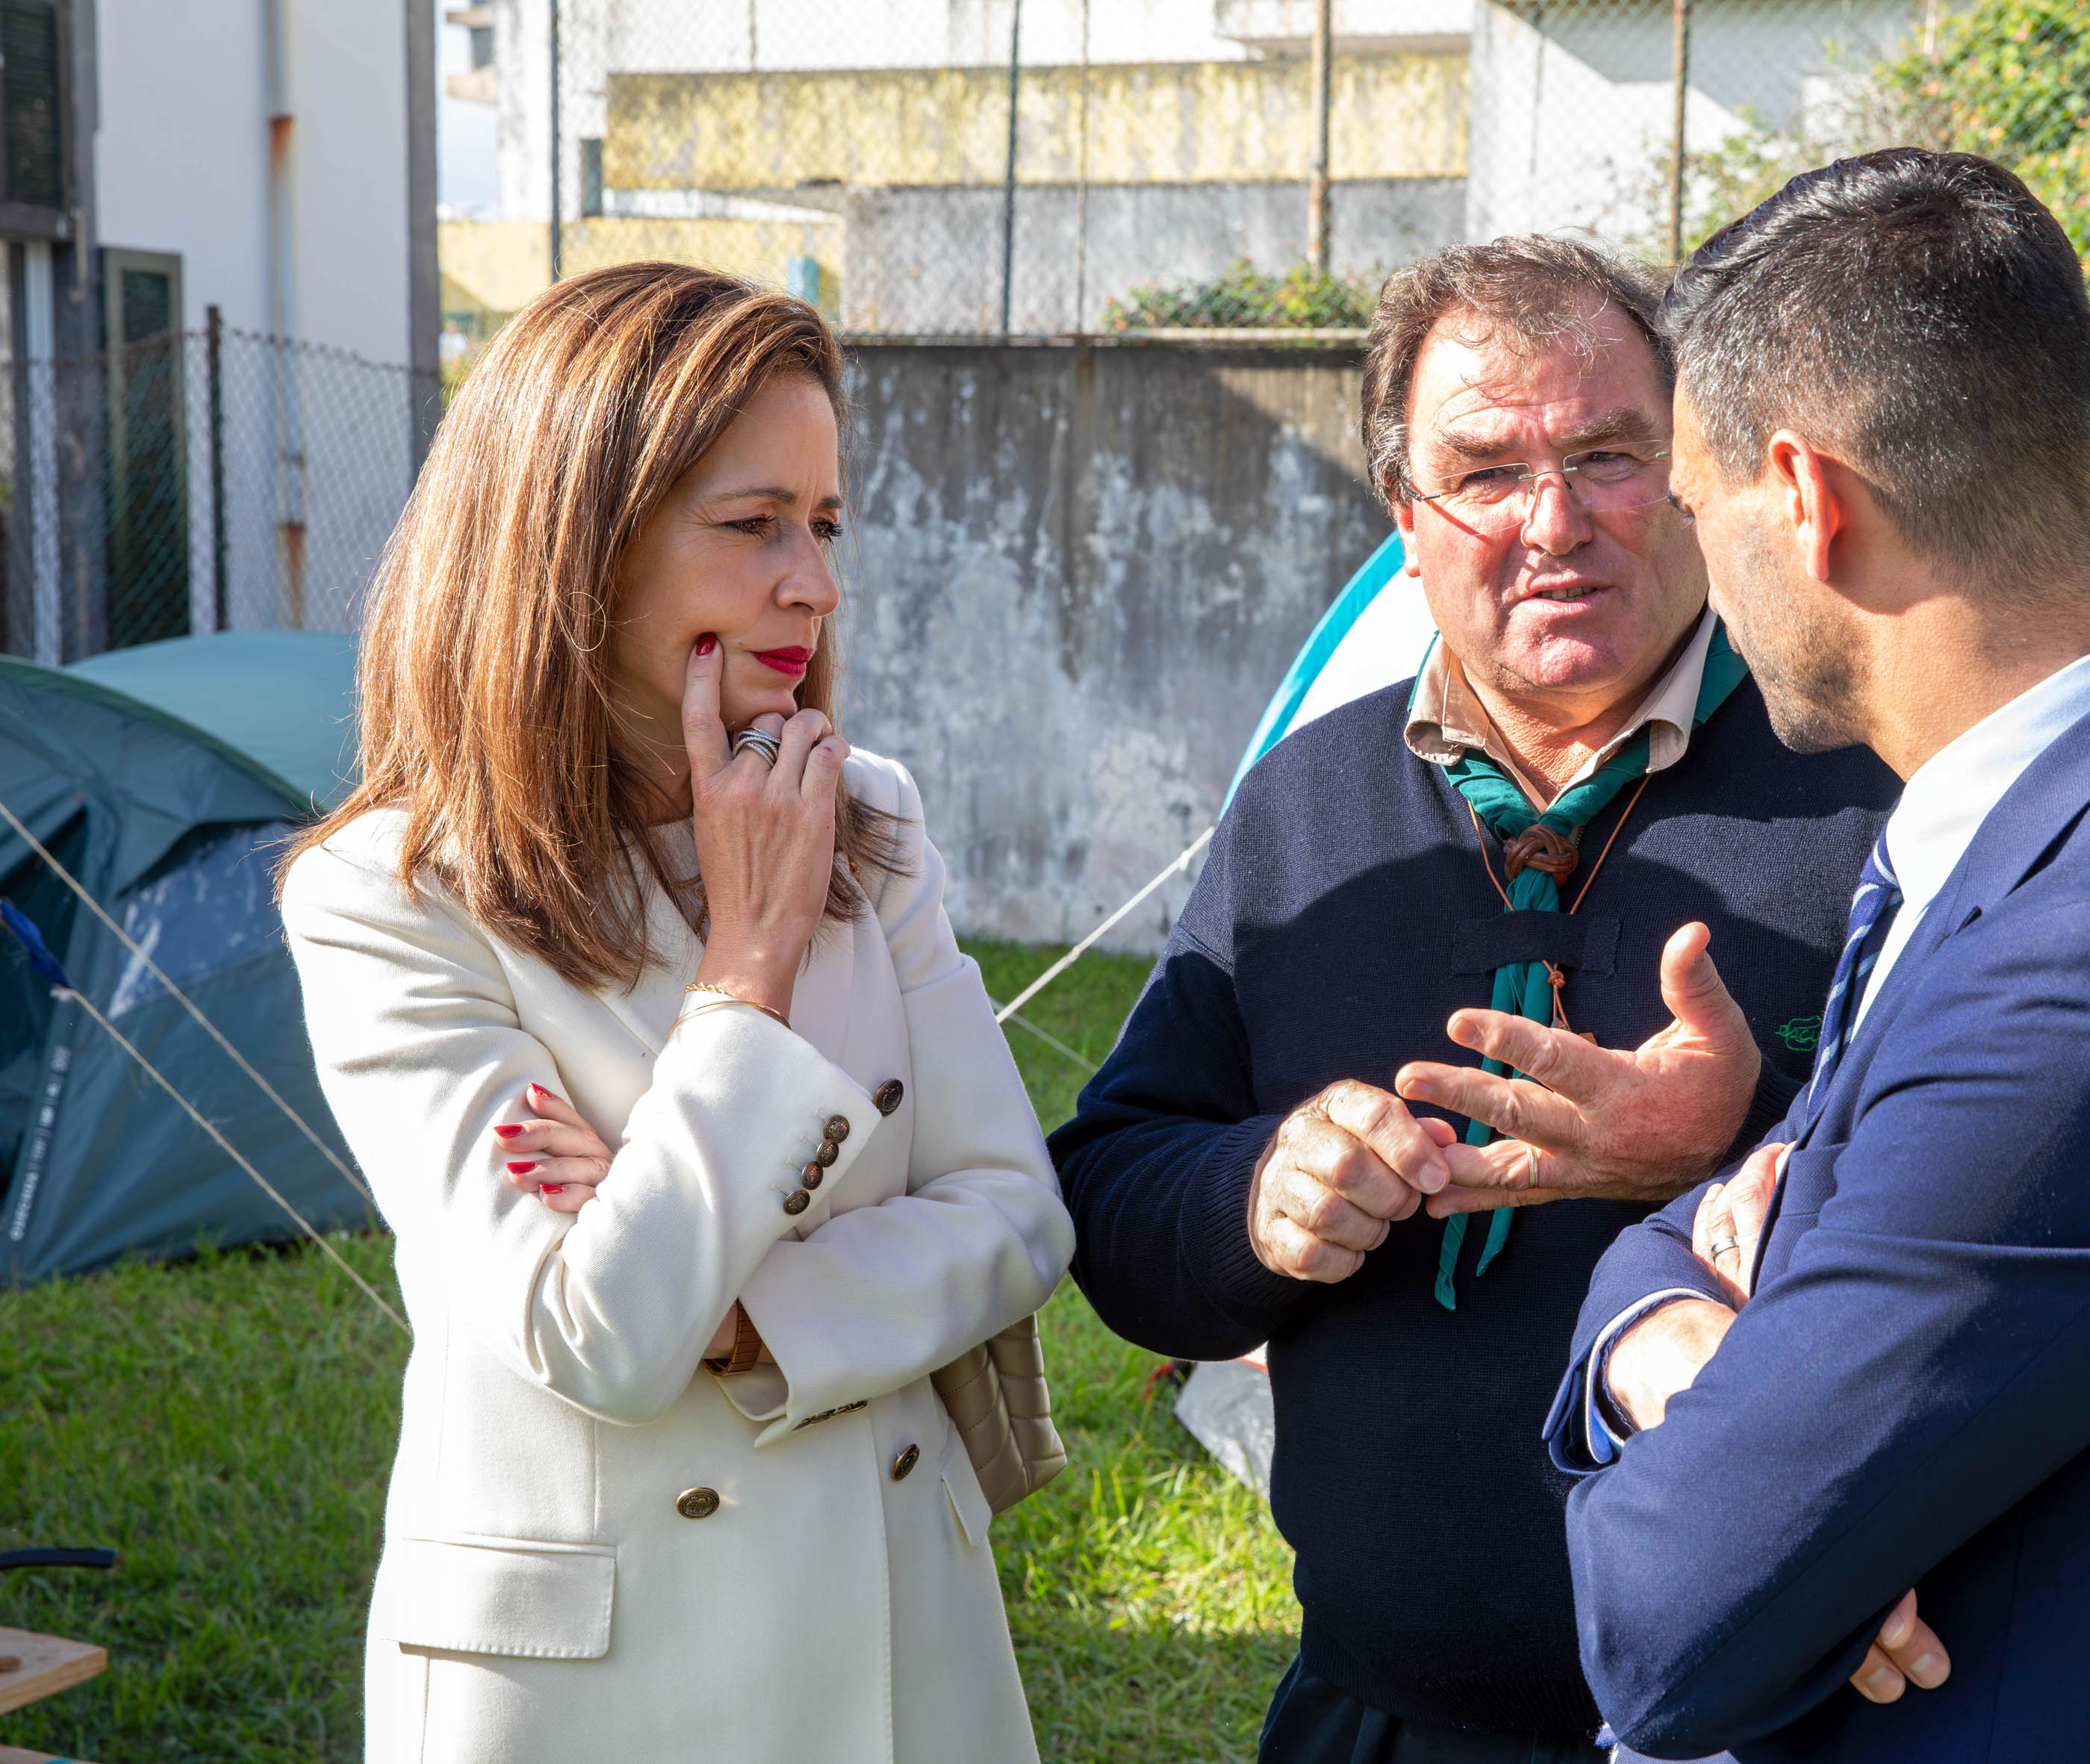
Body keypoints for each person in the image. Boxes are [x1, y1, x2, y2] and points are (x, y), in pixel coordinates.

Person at [1406, 151, 2090, 1761]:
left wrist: (1697, 1386)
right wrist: (1665, 1323)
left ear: (1804, 503)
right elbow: (1724, 1231)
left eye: (1685, 504)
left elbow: (1667, 1612)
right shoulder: (2039, 841)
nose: (1693, 573)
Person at [1048, 236, 1900, 1763]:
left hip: (1771, 1721)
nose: (1554, 523)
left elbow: (2016, 1209)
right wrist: (1257, 1196)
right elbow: (1108, 1194)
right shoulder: (1306, 809)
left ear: (1694, 471)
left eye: (1607, 456)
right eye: (1487, 472)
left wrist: (1720, 1151)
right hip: (1375, 1716)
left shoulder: (1869, 793)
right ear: (1406, 520)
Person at [277, 263, 1074, 1764]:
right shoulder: (388, 897)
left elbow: (1018, 1216)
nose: (815, 583)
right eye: (753, 523)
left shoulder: (870, 816)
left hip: (905, 1642)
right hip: (593, 1686)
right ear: (575, 539)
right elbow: (597, 1333)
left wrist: (754, 1312)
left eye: (825, 524)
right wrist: (748, 970)